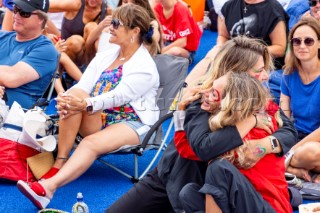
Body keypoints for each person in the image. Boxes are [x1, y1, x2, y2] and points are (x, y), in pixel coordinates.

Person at [105, 36, 298, 213]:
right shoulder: (204, 99)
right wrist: (250, 121)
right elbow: (205, 148)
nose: (266, 76)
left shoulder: (259, 102)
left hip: (215, 188)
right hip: (176, 176)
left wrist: (265, 145)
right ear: (237, 74)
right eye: (259, 70)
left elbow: (289, 130)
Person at [16, 4, 160, 209]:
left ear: (135, 31)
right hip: (97, 114)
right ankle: (60, 163)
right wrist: (66, 98)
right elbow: (84, 84)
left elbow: (119, 96)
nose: (111, 26)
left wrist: (85, 103)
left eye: (117, 23)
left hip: (132, 122)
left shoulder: (145, 67)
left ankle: (48, 187)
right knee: (75, 93)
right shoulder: (108, 53)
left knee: (90, 142)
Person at [178, 72, 291, 213]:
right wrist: (180, 112)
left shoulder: (254, 131)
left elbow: (205, 149)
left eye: (214, 93)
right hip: (242, 201)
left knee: (218, 169)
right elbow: (186, 149)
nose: (205, 93)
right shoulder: (233, 126)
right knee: (189, 193)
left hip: (268, 207)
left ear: (230, 103)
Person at [184, 0, 288, 104]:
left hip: (259, 65)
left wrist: (246, 53)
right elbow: (223, 36)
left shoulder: (273, 9)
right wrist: (221, 47)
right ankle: (182, 97)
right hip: (233, 59)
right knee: (211, 57)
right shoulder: (230, 5)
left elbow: (280, 48)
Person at [280, 16, 320, 183]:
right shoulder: (288, 74)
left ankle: (287, 167)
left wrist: (289, 154)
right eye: (297, 41)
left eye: (309, 41)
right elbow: (283, 116)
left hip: (313, 142)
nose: (302, 46)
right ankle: (299, 170)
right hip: (296, 136)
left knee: (312, 152)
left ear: (319, 43)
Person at [0, 0, 58, 109]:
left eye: (24, 13)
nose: (16, 15)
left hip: (14, 116)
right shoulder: (2, 37)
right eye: (15, 10)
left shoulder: (46, 49)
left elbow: (11, 78)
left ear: (41, 19)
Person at [48, 0, 111, 66]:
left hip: (88, 56)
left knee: (92, 27)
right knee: (76, 41)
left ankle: (93, 67)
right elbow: (41, 6)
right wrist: (47, 34)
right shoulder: (76, 3)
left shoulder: (107, 10)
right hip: (67, 51)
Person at [89, 0, 162, 56]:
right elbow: (89, 43)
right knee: (98, 39)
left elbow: (153, 39)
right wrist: (101, 26)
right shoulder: (116, 21)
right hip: (114, 59)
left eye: (133, 2)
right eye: (125, 2)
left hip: (137, 60)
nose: (128, 5)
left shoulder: (151, 23)